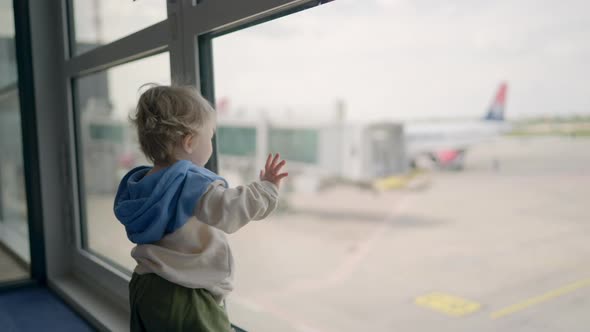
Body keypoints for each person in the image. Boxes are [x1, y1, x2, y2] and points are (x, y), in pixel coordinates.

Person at [113, 84, 288, 331]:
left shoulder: (140, 184)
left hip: (144, 285)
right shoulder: (190, 183)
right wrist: (267, 188)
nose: (212, 143)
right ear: (190, 142)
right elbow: (231, 209)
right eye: (211, 136)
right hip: (185, 294)